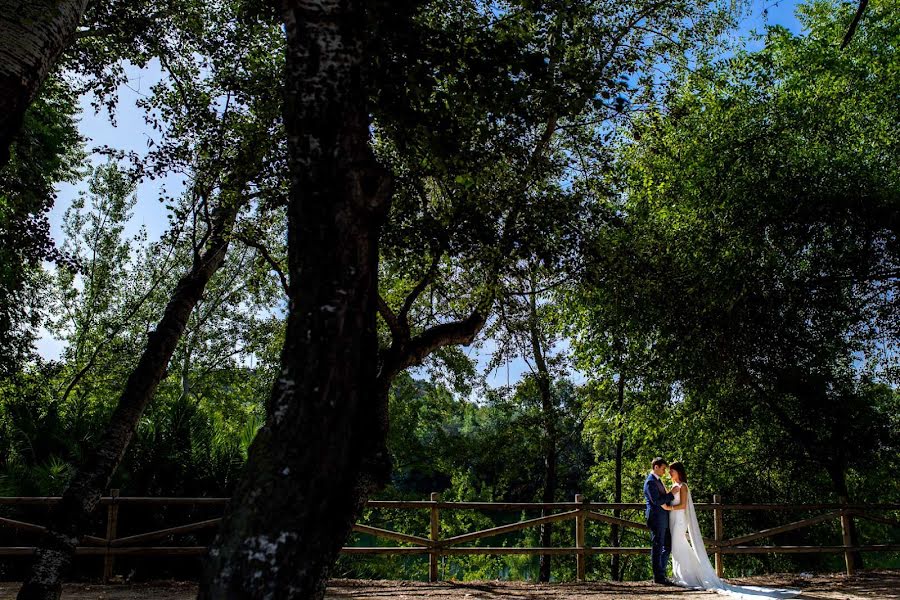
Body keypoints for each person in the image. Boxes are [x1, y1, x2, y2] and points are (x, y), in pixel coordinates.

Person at [662, 461, 798, 598]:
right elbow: (667, 498)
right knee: (677, 546)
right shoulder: (674, 486)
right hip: (673, 518)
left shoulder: (683, 486)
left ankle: (690, 575)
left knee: (678, 544)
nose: (669, 473)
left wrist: (669, 508)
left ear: (678, 471)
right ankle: (684, 574)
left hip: (679, 519)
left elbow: (683, 505)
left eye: (672, 470)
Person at [643, 457, 675, 585]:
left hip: (663, 518)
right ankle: (659, 577)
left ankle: (661, 573)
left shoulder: (658, 481)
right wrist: (672, 494)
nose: (664, 471)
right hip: (656, 518)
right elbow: (656, 501)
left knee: (666, 545)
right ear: (656, 467)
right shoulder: (650, 482)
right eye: (663, 469)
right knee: (657, 547)